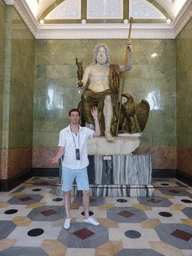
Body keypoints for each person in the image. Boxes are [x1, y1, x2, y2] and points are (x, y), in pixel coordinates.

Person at [51, 107, 101, 229]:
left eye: (76, 115)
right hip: (68, 167)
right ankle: (68, 217)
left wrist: (95, 118)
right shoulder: (63, 132)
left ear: (79, 117)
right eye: (72, 115)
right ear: (69, 117)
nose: (74, 117)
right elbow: (61, 149)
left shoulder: (84, 131)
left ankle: (87, 217)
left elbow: (98, 133)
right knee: (67, 192)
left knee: (86, 191)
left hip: (81, 167)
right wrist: (57, 157)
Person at [78, 41, 133, 142]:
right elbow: (83, 82)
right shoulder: (89, 68)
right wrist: (81, 84)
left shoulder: (112, 68)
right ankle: (91, 127)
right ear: (95, 55)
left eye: (103, 52)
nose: (101, 54)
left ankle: (107, 131)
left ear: (107, 55)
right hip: (91, 93)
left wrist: (130, 51)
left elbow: (128, 67)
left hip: (105, 92)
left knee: (108, 98)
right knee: (85, 96)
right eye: (99, 52)